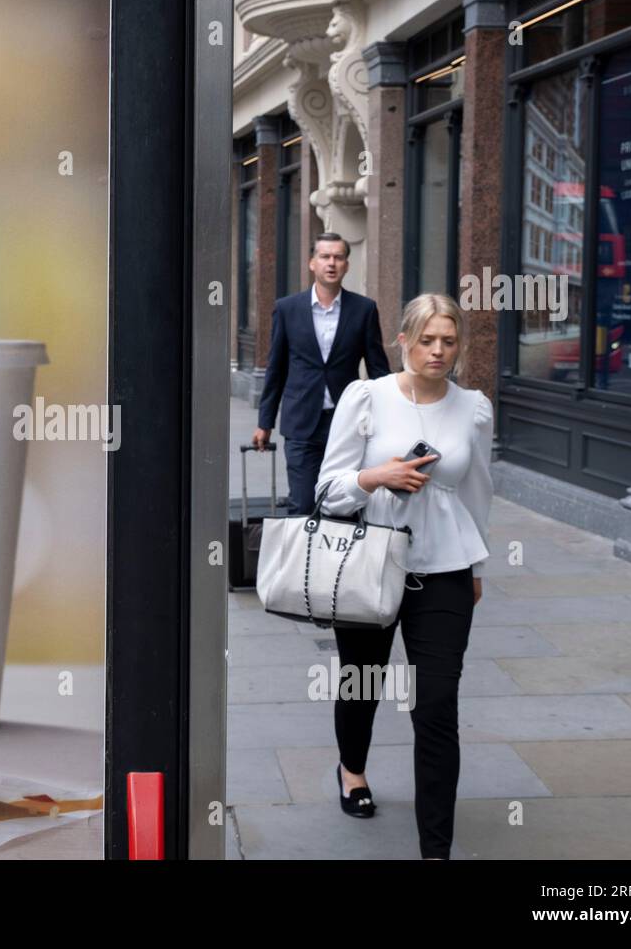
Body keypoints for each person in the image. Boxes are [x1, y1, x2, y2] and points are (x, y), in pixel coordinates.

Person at [313, 293, 494, 860]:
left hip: (445, 571)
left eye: (449, 340)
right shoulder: (366, 397)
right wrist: (376, 476)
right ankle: (352, 769)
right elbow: (326, 491)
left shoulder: (474, 408)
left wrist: (478, 564)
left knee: (436, 705)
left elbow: (477, 492)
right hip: (370, 562)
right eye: (427, 340)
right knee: (362, 682)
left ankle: (435, 850)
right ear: (403, 340)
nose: (438, 351)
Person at [252, 232, 391, 515]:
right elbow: (275, 368)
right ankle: (302, 559)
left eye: (338, 257)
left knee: (345, 505)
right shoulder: (287, 309)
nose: (332, 263)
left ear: (346, 265)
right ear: (311, 263)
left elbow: (378, 369)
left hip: (348, 423)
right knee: (302, 504)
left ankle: (338, 559)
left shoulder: (364, 309)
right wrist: (265, 421)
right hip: (301, 422)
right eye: (325, 257)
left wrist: (390, 417)